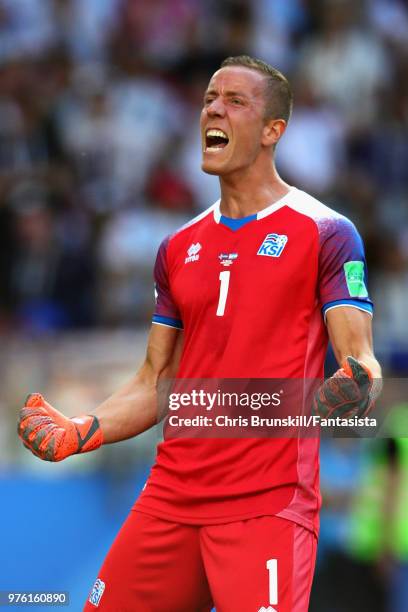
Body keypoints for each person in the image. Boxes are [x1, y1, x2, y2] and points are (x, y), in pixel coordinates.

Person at [18, 55, 381, 612]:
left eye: (236, 101)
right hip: (171, 497)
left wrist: (353, 386)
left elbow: (360, 363)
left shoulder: (327, 232)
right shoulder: (177, 248)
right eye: (211, 98)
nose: (214, 107)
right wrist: (83, 428)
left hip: (266, 503)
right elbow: (154, 380)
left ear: (272, 131)